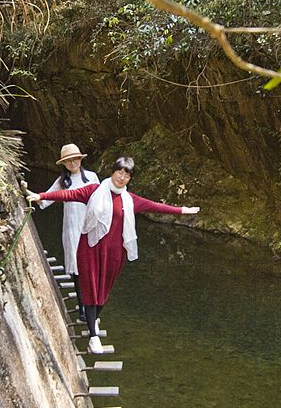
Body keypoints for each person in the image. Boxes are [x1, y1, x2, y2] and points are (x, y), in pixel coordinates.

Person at [26, 156, 200, 353]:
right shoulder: (94, 191)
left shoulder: (130, 199)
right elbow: (69, 194)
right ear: (112, 172)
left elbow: (156, 206)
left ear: (130, 178)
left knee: (103, 291)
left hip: (115, 252)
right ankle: (93, 336)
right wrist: (42, 196)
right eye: (120, 172)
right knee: (90, 288)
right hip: (90, 247)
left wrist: (183, 210)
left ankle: (95, 318)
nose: (122, 177)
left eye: (127, 174)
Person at [35, 143, 99, 323]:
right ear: (64, 163)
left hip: (90, 228)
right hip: (72, 230)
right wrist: (28, 194)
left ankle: (91, 308)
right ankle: (82, 309)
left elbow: (102, 203)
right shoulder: (63, 182)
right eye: (69, 160)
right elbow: (45, 199)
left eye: (75, 159)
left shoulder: (92, 178)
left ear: (81, 159)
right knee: (78, 271)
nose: (73, 163)